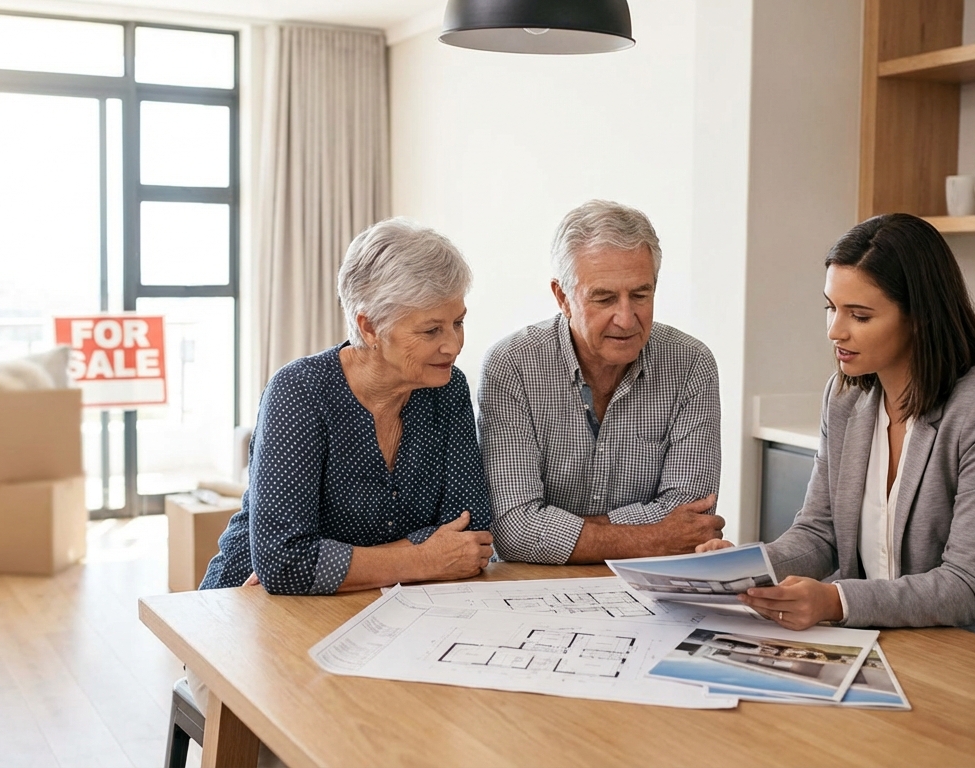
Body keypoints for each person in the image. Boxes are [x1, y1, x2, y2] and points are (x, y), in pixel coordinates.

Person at [700, 213, 975, 664]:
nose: (835, 331)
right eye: (831, 307)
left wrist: (835, 601)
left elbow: (968, 587)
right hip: (902, 655)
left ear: (920, 316)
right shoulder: (844, 400)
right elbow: (819, 534)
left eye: (859, 315)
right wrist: (742, 570)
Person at [199, 217, 494, 596]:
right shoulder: (299, 391)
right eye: (431, 330)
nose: (453, 345)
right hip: (246, 601)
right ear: (369, 327)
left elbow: (470, 533)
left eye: (459, 322)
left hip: (380, 605)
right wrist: (424, 559)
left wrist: (332, 564)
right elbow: (284, 562)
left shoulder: (447, 387)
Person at [479, 200, 724, 565]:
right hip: (531, 587)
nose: (626, 319)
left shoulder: (691, 365)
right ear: (562, 297)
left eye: (640, 295)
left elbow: (691, 521)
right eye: (604, 298)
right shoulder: (512, 365)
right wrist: (656, 536)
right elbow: (515, 531)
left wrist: (558, 530)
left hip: (652, 588)